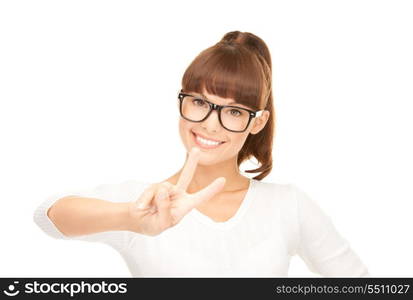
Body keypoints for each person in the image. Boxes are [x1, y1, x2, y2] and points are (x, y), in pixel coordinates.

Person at [33, 30, 370, 277]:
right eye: (199, 102)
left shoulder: (288, 205)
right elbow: (47, 216)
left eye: (234, 111)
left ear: (258, 122)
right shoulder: (148, 202)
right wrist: (131, 217)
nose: (210, 124)